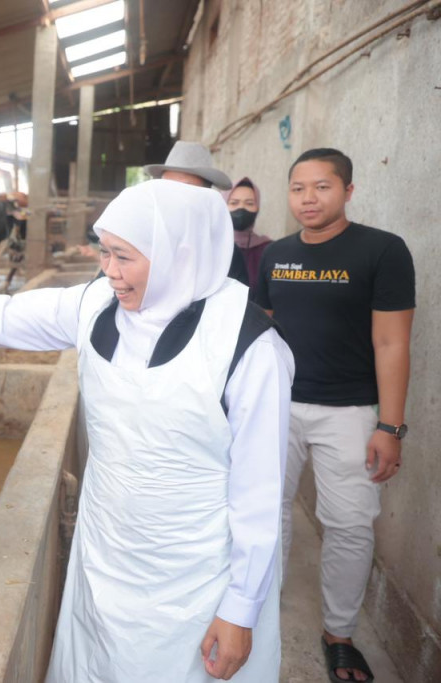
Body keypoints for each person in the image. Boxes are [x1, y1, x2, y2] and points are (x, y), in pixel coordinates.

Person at [0, 179, 294, 682]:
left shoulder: (251, 349)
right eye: (105, 253)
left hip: (195, 574)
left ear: (178, 253)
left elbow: (259, 495)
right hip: (105, 551)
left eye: (125, 257)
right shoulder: (97, 305)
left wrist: (241, 607)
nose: (110, 272)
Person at [253, 148, 415, 683]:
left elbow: (392, 342)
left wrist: (388, 427)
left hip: (348, 411)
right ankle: (253, 613)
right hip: (278, 406)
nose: (308, 198)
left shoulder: (382, 251)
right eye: (298, 188)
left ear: (348, 190)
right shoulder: (275, 255)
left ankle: (338, 634)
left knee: (349, 524)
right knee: (264, 513)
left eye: (322, 187)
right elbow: (264, 334)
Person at [144, 141, 250, 286]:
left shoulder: (225, 252)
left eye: (187, 190)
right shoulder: (139, 241)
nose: (174, 196)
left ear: (206, 197)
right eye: (168, 188)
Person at [226, 177, 272, 289]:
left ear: (258, 208)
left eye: (249, 203)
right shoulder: (214, 247)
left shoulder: (269, 249)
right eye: (234, 203)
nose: (241, 208)